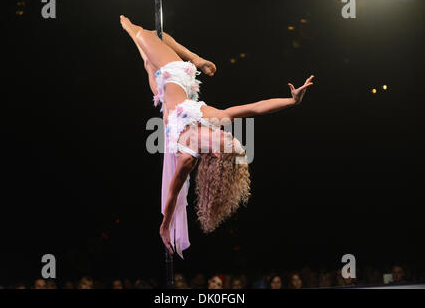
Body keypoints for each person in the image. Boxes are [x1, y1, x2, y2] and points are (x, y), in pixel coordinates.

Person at [120, 16, 314, 258]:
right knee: (146, 34)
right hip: (180, 78)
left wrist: (165, 224)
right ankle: (194, 58)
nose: (225, 134)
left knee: (149, 59)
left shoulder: (187, 158)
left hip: (165, 92)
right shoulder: (214, 118)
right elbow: (256, 108)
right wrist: (291, 101)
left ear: (216, 152)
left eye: (226, 140)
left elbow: (173, 194)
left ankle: (168, 49)